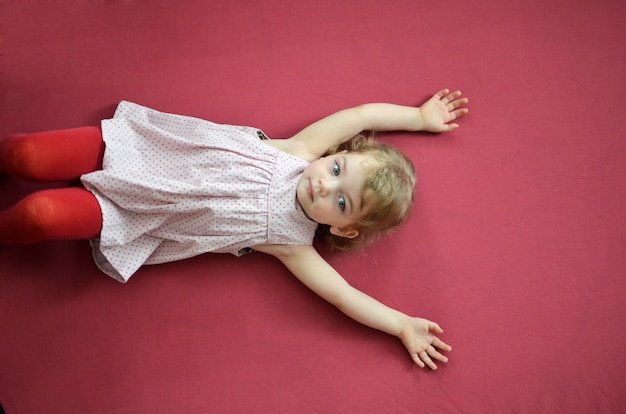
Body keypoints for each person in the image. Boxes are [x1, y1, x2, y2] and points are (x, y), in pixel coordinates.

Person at [0, 89, 468, 369]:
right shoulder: (302, 150)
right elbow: (362, 115)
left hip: (135, 215)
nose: (325, 186)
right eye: (338, 168)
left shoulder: (292, 246)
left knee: (36, 215)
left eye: (341, 202)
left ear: (343, 230)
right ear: (336, 152)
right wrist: (418, 119)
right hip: (137, 152)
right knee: (25, 156)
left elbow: (345, 296)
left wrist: (401, 325)